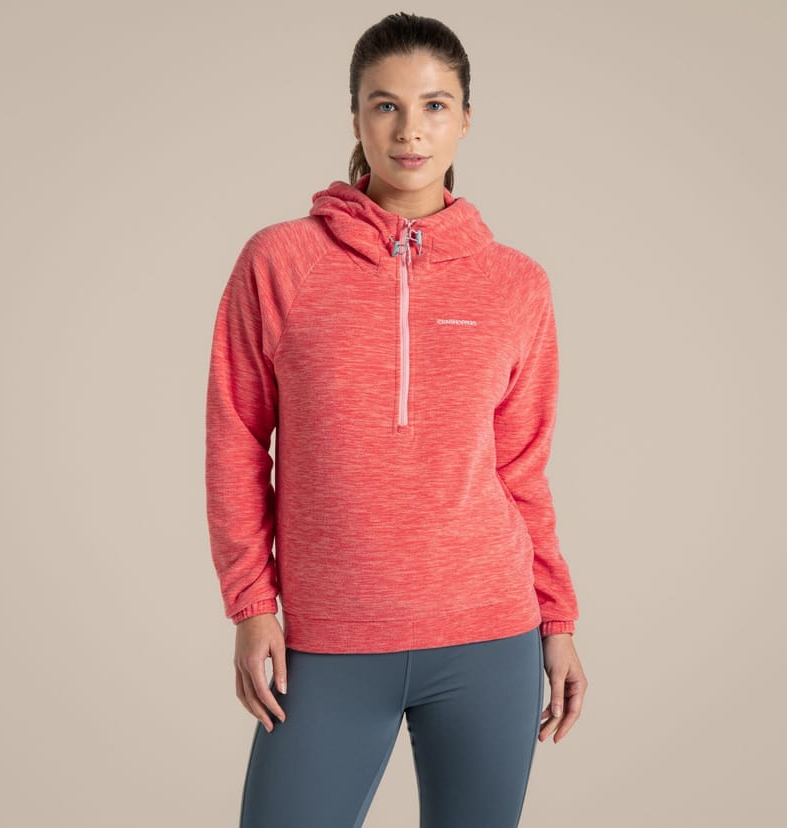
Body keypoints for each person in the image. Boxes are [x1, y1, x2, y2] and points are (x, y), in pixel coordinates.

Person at [205, 11, 588, 828]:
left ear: (466, 119)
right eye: (386, 105)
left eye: (434, 106)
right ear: (355, 117)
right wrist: (251, 604)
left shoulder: (517, 284)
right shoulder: (280, 262)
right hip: (326, 642)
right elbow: (235, 438)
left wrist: (557, 621)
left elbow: (522, 469)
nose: (411, 130)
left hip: (490, 636)